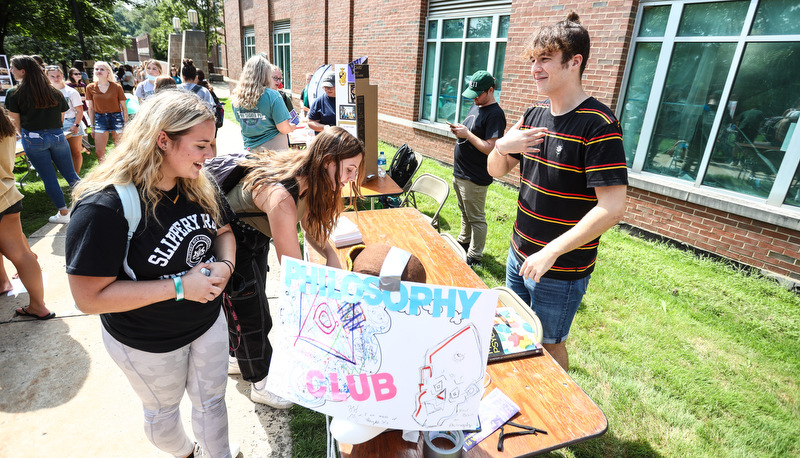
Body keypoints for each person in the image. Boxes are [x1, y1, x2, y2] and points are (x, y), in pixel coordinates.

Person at [65, 89, 238, 458]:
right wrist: (180, 286)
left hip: (207, 321)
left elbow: (223, 233)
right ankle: (187, 453)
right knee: (163, 414)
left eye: (212, 143)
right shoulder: (104, 205)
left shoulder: (199, 183)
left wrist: (225, 265)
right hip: (147, 340)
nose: (211, 155)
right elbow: (87, 298)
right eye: (202, 145)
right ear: (162, 139)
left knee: (212, 403)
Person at [487, 12, 628, 370]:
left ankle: (557, 416)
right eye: (533, 60)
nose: (535, 68)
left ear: (574, 61)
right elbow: (494, 170)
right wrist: (504, 145)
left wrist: (550, 252)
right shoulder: (533, 117)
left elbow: (612, 208)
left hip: (560, 267)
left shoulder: (599, 125)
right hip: (518, 252)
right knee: (512, 331)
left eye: (545, 59)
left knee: (549, 345)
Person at [209, 126, 363, 408]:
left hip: (254, 233)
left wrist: (330, 254)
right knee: (254, 316)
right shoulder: (281, 196)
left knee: (248, 307)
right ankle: (261, 383)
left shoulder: (312, 176)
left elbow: (308, 223)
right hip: (232, 239)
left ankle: (236, 357)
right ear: (328, 161)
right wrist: (327, 298)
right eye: (350, 169)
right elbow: (294, 270)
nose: (352, 179)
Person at [5, 55, 81, 224]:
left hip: (33, 138)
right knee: (71, 174)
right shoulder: (54, 91)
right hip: (57, 135)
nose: (11, 70)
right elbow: (61, 118)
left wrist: (26, 134)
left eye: (13, 67)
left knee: (49, 178)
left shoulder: (14, 93)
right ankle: (89, 203)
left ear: (22, 71)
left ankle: (63, 213)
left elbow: (15, 122)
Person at [449, 70, 506, 267]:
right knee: (464, 212)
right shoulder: (477, 105)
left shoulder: (496, 115)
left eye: (478, 95)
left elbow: (491, 148)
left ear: (490, 90)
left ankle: (474, 256)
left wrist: (467, 135)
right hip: (461, 172)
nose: (473, 99)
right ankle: (464, 242)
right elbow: (471, 133)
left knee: (476, 218)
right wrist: (460, 133)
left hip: (475, 175)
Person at [0, 105, 51, 319]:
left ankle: (7, 284)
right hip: (7, 194)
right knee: (21, 253)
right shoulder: (5, 124)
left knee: (20, 254)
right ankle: (36, 303)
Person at [230, 54, 294, 151]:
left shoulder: (237, 97)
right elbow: (283, 128)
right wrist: (292, 127)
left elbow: (241, 122)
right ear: (266, 74)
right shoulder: (273, 96)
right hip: (274, 153)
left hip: (251, 151)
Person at [46, 65, 85, 175]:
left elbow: (79, 111)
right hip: (54, 124)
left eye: (58, 76)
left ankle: (75, 178)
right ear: (47, 77)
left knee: (75, 151)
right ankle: (67, 173)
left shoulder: (71, 92)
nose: (56, 78)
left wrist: (76, 125)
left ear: (62, 76)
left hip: (71, 122)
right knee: (59, 153)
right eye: (52, 76)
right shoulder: (46, 92)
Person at [86, 61, 128, 162]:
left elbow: (124, 107)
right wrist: (92, 126)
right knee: (99, 152)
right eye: (97, 69)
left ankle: (120, 172)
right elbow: (91, 108)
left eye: (102, 69)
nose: (99, 71)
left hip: (116, 118)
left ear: (108, 72)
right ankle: (103, 174)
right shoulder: (90, 88)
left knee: (120, 149)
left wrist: (126, 124)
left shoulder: (116, 87)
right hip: (100, 119)